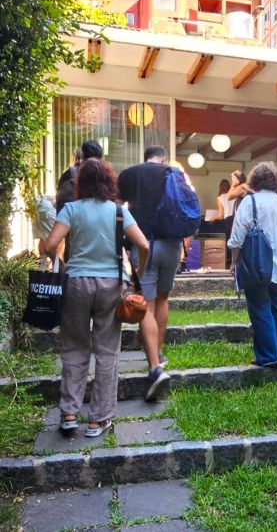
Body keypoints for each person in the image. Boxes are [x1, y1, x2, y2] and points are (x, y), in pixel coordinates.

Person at [44, 158, 149, 437]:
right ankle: (98, 419)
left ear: (81, 183)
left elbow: (51, 245)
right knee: (106, 352)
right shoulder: (118, 212)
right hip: (111, 285)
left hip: (76, 283)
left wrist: (61, 265)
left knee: (74, 347)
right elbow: (144, 245)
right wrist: (138, 272)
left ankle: (69, 414)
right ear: (108, 182)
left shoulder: (71, 209)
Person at [118, 145, 177, 400]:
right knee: (162, 298)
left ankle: (154, 367)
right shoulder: (172, 173)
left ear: (145, 158)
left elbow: (117, 210)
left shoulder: (129, 174)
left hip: (143, 244)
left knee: (147, 303)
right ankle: (158, 353)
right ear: (163, 158)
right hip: (172, 245)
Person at [228, 162, 277, 367]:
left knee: (259, 308)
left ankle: (268, 356)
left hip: (257, 266)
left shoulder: (249, 202)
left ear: (254, 181)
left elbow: (237, 236)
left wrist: (234, 262)